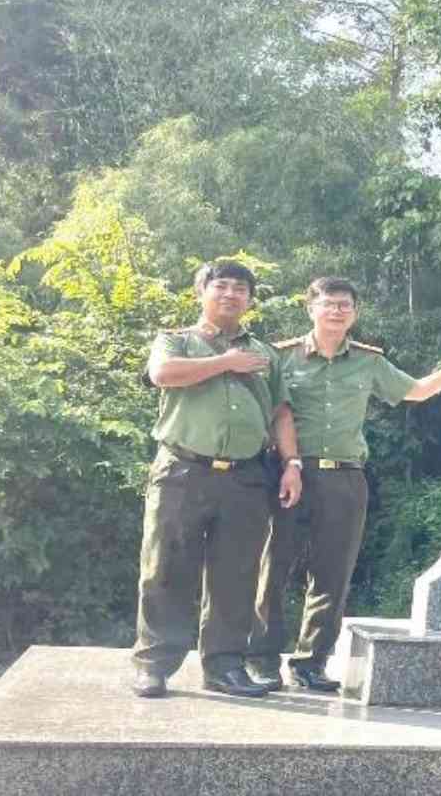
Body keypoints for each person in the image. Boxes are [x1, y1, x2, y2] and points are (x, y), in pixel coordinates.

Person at [246, 277, 441, 692]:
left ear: (355, 313)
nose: (337, 311)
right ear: (311, 309)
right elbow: (265, 412)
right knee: (273, 567)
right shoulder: (281, 357)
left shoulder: (368, 361)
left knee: (332, 574)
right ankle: (261, 659)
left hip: (346, 477)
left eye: (345, 305)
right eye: (328, 304)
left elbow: (417, 391)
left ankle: (311, 663)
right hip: (289, 473)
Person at [132, 260, 302, 699]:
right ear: (201, 292)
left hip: (245, 477)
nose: (230, 294)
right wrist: (226, 362)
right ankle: (154, 665)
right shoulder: (176, 340)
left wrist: (292, 464)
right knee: (165, 567)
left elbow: (281, 412)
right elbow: (163, 374)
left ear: (249, 299)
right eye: (221, 286)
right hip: (183, 470)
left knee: (236, 575)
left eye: (240, 288)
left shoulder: (265, 352)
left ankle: (225, 666)